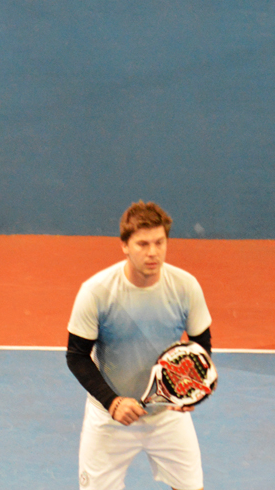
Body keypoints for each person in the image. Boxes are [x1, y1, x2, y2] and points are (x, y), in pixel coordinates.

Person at [66, 201, 213, 490]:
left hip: (166, 418)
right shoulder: (96, 291)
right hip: (109, 418)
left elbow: (201, 345)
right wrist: (113, 402)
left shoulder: (186, 286)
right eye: (142, 244)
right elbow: (77, 356)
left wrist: (186, 388)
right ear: (124, 245)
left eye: (159, 242)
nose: (153, 252)